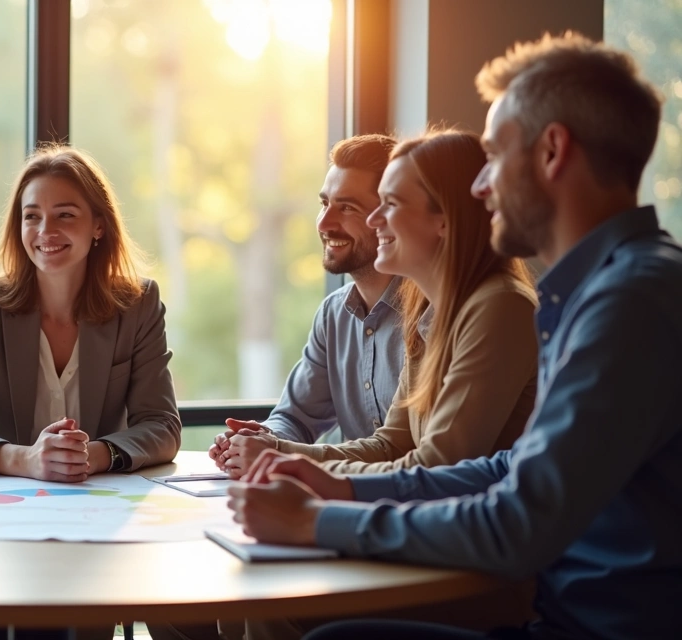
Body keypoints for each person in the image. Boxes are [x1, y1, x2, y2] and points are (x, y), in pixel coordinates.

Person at [230, 32, 682, 640]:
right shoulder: (601, 292)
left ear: (552, 152)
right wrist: (339, 486)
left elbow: (518, 521)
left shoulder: (631, 301)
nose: (478, 186)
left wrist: (317, 521)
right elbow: (510, 467)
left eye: (493, 155)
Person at [258, 130, 538, 476]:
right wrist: (278, 452)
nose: (375, 220)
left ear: (445, 219)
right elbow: (392, 445)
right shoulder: (429, 311)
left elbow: (438, 467)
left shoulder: (500, 307)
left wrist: (307, 471)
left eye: (390, 204)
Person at [0, 144, 181, 483]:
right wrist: (25, 460)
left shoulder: (138, 304)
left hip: (103, 495)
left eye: (65, 215)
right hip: (8, 497)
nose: (46, 231)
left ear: (99, 226)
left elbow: (162, 425)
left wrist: (94, 455)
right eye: (32, 216)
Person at [209, 134, 404, 479]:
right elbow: (295, 418)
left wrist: (278, 451)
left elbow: (405, 449)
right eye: (324, 203)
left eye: (347, 208)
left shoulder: (433, 312)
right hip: (350, 498)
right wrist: (259, 439)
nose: (325, 223)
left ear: (387, 216)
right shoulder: (333, 315)